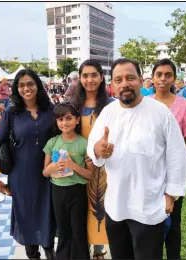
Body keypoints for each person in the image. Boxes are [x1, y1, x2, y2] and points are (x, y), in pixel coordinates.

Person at [87, 58, 186, 259]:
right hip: (116, 205)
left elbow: (177, 154)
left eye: (130, 77)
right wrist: (98, 151)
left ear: (141, 80)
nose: (124, 83)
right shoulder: (108, 112)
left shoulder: (160, 113)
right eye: (118, 79)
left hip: (148, 205)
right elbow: (93, 146)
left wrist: (171, 193)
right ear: (112, 86)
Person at [0, 69, 56, 260]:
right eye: (21, 85)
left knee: (47, 215)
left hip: (46, 174)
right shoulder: (12, 112)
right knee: (26, 218)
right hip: (21, 177)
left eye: (30, 84)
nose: (26, 88)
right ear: (16, 88)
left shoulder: (49, 110)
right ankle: (33, 256)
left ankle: (50, 253)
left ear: (38, 85)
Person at [150, 58, 186, 260]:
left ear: (174, 79)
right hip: (149, 173)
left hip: (173, 175)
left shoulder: (185, 105)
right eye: (159, 74)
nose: (163, 79)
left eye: (168, 75)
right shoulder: (145, 104)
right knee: (149, 223)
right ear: (152, 78)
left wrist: (174, 166)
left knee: (173, 224)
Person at [71, 59, 113, 259]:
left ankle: (98, 249)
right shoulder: (73, 105)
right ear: (80, 79)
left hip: (105, 167)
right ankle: (83, 247)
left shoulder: (111, 105)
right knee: (81, 208)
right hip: (79, 166)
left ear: (101, 77)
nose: (89, 80)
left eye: (94, 75)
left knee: (100, 205)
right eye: (85, 75)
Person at [43, 102, 94, 260]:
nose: (64, 123)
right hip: (58, 191)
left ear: (77, 120)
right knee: (63, 230)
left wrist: (73, 166)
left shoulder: (84, 144)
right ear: (56, 122)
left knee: (78, 230)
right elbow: (45, 172)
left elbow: (90, 175)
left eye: (68, 118)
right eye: (60, 120)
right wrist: (51, 169)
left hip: (77, 192)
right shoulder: (52, 143)